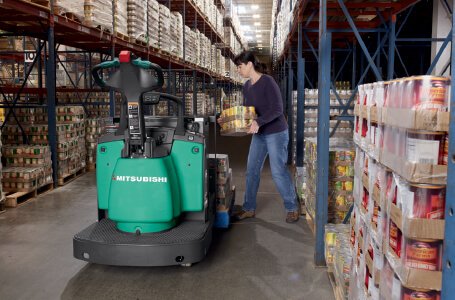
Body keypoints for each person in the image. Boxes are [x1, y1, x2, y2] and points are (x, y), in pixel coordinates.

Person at [222, 51, 300, 223]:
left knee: (278, 171)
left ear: (250, 64)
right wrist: (227, 119)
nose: (238, 70)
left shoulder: (267, 82)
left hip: (276, 132)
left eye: (240, 66)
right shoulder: (246, 86)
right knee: (251, 171)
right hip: (260, 134)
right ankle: (249, 208)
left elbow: (278, 109)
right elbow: (245, 112)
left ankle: (292, 207)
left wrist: (259, 121)